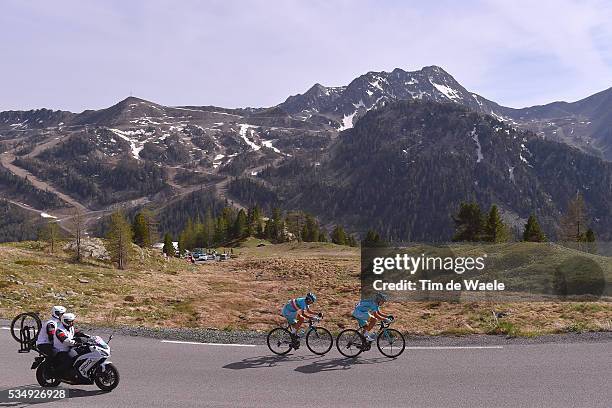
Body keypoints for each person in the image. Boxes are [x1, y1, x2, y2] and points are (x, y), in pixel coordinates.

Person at [53, 313, 89, 378]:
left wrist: (88, 337)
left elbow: (77, 333)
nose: (71, 323)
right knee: (70, 360)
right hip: (61, 351)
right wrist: (76, 343)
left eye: (72, 321)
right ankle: (59, 374)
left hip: (69, 349)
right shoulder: (59, 330)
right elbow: (65, 340)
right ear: (64, 321)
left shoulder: (70, 327)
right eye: (69, 321)